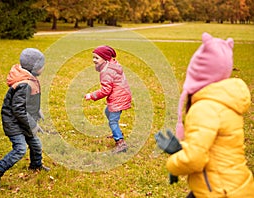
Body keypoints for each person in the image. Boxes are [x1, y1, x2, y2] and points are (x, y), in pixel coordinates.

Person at [155, 32, 254, 197]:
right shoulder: (224, 101)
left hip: (220, 191)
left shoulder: (204, 108)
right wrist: (180, 150)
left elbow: (195, 159)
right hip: (235, 185)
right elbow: (213, 145)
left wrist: (173, 164)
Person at [0, 48, 50, 193]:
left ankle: (36, 165)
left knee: (35, 143)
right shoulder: (24, 84)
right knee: (20, 149)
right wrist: (33, 125)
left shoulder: (30, 78)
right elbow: (18, 110)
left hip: (24, 121)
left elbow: (30, 101)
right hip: (14, 123)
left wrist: (38, 112)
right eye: (42, 65)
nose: (43, 68)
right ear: (35, 67)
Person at [85, 45, 132, 153]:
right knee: (108, 112)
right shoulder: (113, 65)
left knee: (112, 121)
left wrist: (92, 95)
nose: (93, 60)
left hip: (118, 97)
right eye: (93, 57)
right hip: (122, 94)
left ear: (105, 59)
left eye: (96, 58)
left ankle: (120, 142)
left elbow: (106, 90)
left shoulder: (107, 71)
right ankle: (117, 132)